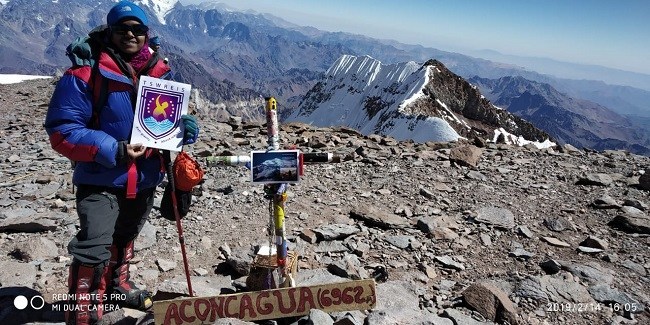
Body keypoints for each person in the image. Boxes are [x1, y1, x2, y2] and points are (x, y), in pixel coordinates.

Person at [44, 1, 199, 324]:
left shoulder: (156, 71)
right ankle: (83, 312)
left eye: (137, 29)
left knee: (125, 237)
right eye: (122, 29)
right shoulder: (85, 74)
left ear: (147, 34)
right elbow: (63, 130)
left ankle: (117, 287)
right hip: (101, 178)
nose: (130, 34)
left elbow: (161, 120)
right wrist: (112, 149)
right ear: (110, 32)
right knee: (94, 246)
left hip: (144, 178)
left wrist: (180, 128)